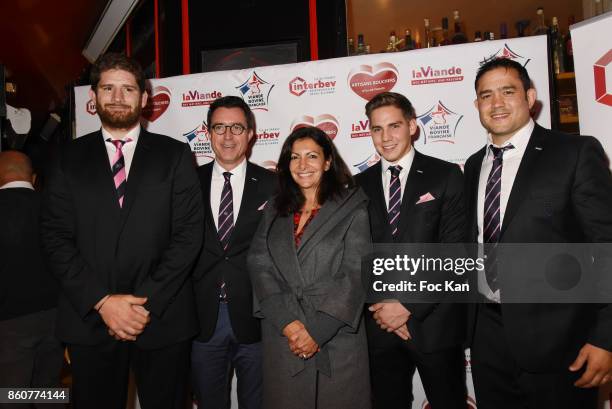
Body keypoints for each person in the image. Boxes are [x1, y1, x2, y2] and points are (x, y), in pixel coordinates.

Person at [41, 53, 204, 409]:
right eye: (108, 88)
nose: (117, 97)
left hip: (162, 317)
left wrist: (142, 305)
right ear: (94, 97)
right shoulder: (66, 158)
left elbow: (189, 235)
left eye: (128, 89)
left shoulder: (175, 155)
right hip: (90, 320)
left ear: (144, 99)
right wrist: (103, 302)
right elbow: (55, 237)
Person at [464, 57, 612, 408]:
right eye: (486, 95)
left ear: (530, 97)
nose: (496, 103)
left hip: (561, 343)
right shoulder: (472, 165)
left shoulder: (574, 152)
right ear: (476, 105)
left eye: (508, 91)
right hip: (486, 340)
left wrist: (606, 337)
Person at [355, 91, 467, 409]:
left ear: (413, 126)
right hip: (379, 328)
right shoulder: (356, 185)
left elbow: (455, 252)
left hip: (434, 324)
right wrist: (383, 307)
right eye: (377, 129)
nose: (386, 137)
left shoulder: (445, 175)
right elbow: (353, 255)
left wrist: (407, 305)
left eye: (394, 126)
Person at [247, 126, 371, 409]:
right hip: (284, 334)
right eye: (294, 157)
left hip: (335, 336)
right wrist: (289, 324)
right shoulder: (275, 209)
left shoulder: (353, 207)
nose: (302, 165)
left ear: (328, 162)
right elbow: (258, 261)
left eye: (312, 156)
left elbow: (355, 273)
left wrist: (317, 331)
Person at [191, 96, 276, 409]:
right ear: (207, 132)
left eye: (237, 127)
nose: (227, 136)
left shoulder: (273, 185)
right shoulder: (187, 183)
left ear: (251, 133)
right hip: (202, 319)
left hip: (257, 317)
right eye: (220, 127)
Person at [0, 151, 63, 405]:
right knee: (49, 388)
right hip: (57, 317)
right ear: (33, 177)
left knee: (11, 395)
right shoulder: (57, 206)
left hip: (9, 323)